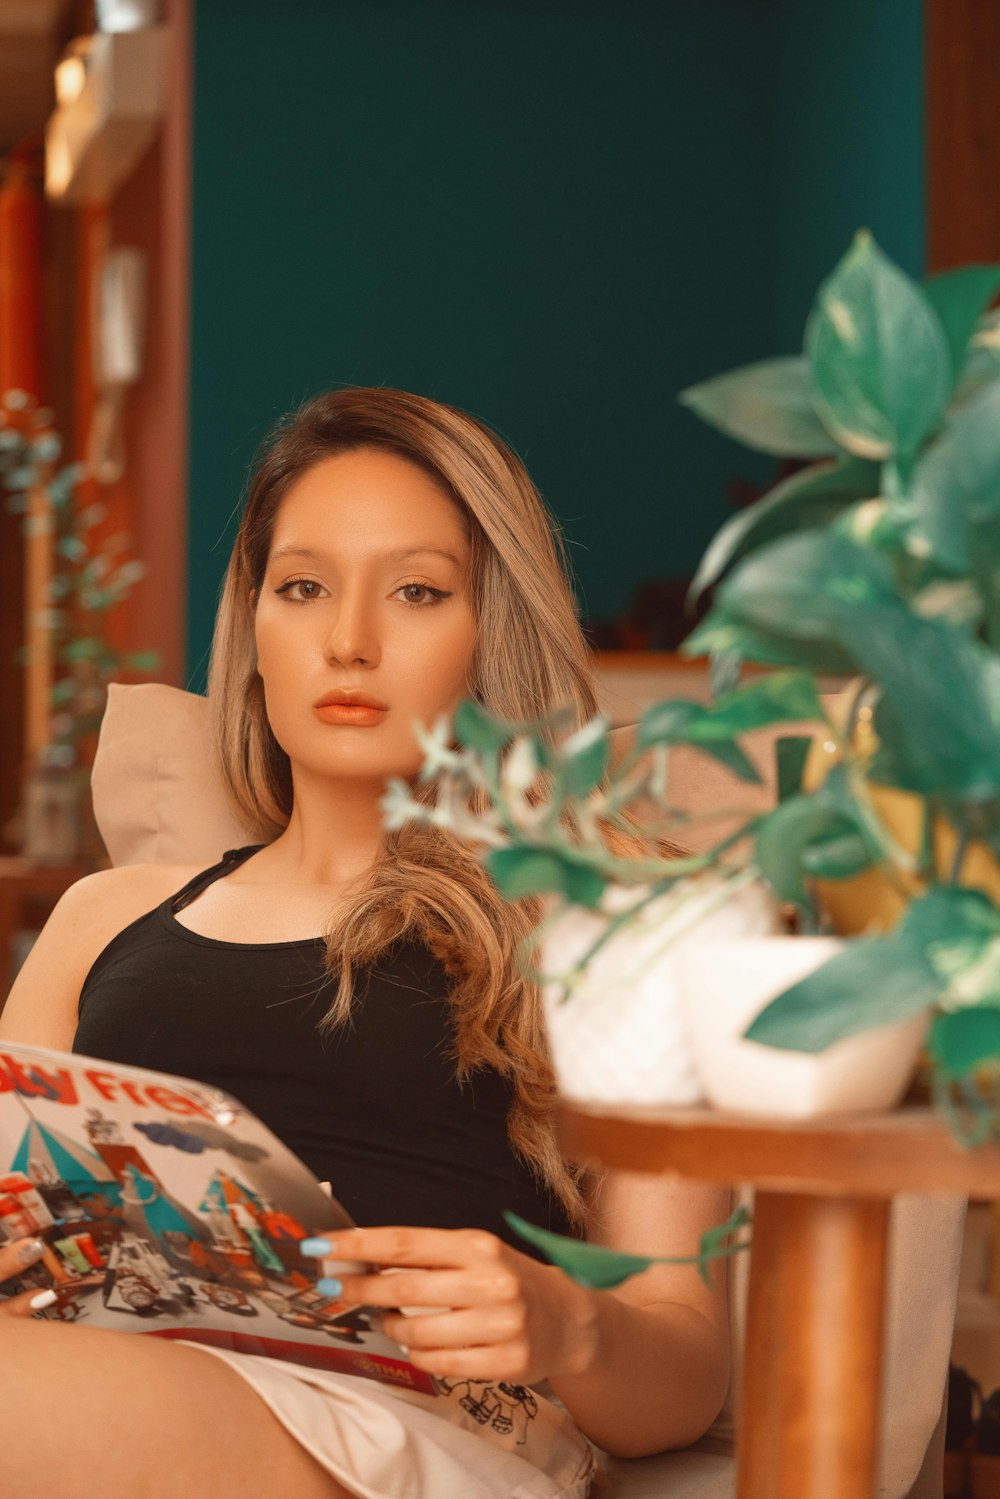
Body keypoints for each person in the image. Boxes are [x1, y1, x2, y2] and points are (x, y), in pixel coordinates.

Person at [0, 387, 730, 1499]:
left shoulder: (598, 917)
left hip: (409, 1414)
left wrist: (565, 1321)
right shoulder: (107, 915)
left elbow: (681, 1366)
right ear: (254, 627)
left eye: (417, 591)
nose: (348, 640)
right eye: (302, 588)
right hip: (102, 1369)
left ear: (492, 631)